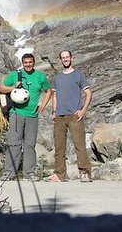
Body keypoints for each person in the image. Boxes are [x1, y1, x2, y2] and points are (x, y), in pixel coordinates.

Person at [0, 53, 52, 181]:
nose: (28, 64)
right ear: (23, 63)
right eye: (26, 62)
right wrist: (12, 87)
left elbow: (48, 90)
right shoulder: (15, 75)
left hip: (33, 115)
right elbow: (1, 88)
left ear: (33, 62)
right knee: (13, 143)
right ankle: (9, 173)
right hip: (16, 113)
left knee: (30, 145)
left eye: (30, 62)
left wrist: (43, 105)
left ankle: (29, 173)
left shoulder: (40, 77)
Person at [45, 50, 93, 183]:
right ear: (60, 60)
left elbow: (88, 93)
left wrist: (83, 110)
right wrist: (53, 112)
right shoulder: (57, 78)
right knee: (59, 147)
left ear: (72, 58)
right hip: (59, 116)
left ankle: (85, 173)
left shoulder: (78, 76)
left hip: (74, 116)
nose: (65, 59)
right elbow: (55, 96)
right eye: (63, 58)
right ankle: (59, 174)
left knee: (80, 145)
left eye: (67, 57)